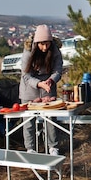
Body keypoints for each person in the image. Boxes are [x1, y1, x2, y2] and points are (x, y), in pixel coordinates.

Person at [19, 24, 63, 155]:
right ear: (37, 42)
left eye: (47, 44)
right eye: (42, 44)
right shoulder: (28, 51)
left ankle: (53, 147)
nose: (45, 48)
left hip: (48, 88)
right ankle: (30, 148)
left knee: (51, 118)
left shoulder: (55, 51)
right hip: (29, 89)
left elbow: (58, 70)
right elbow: (25, 75)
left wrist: (52, 80)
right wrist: (39, 84)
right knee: (29, 121)